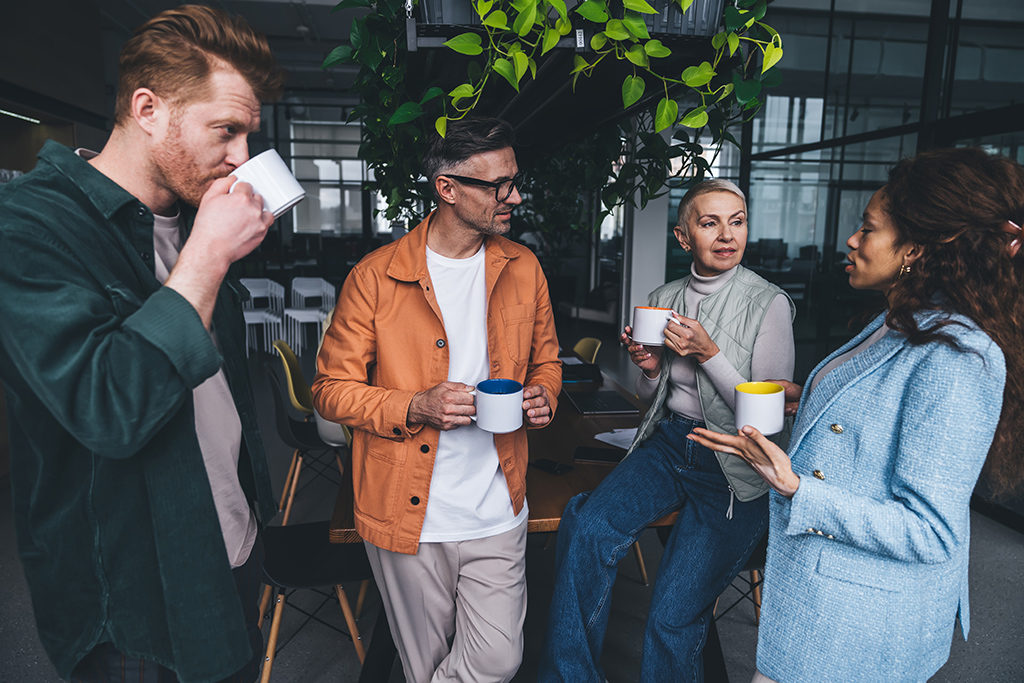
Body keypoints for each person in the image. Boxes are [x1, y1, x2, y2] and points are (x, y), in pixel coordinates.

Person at [0, 6, 284, 681]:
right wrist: (209, 257)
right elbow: (110, 406)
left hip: (230, 552)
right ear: (148, 108)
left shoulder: (190, 217)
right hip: (135, 601)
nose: (243, 156)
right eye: (227, 129)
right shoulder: (29, 227)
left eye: (248, 134)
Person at [688, 147, 1024, 683]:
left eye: (867, 229)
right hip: (828, 594)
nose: (851, 239)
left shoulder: (960, 356)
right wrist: (814, 399)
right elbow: (873, 413)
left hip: (858, 622)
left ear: (915, 248)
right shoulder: (903, 318)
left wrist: (795, 485)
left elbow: (931, 532)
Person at [312, 116, 562, 683]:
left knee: (500, 657)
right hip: (408, 512)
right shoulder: (375, 278)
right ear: (447, 188)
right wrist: (414, 406)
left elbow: (547, 361)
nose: (514, 196)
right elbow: (329, 390)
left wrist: (544, 392)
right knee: (422, 663)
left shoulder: (525, 268)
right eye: (498, 185)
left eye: (514, 180)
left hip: (500, 502)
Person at [538, 179, 795, 682]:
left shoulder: (769, 303)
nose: (727, 235)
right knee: (588, 527)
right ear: (684, 238)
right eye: (709, 223)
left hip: (736, 461)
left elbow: (766, 420)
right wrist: (651, 365)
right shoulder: (664, 297)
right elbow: (651, 386)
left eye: (737, 221)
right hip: (669, 441)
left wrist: (709, 354)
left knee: (671, 616)